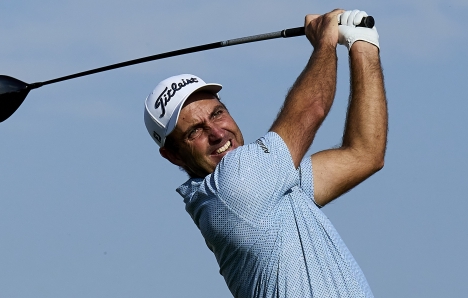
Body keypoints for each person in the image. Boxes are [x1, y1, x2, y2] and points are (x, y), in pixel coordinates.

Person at [143, 8, 386, 298]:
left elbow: (364, 154)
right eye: (194, 131)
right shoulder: (232, 188)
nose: (217, 133)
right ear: (173, 155)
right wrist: (326, 41)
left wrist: (363, 45)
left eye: (218, 113)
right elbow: (311, 109)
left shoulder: (269, 185)